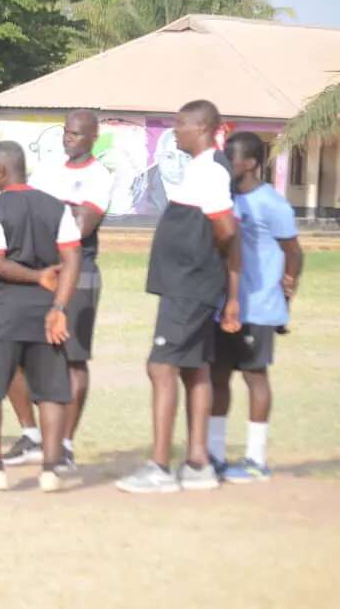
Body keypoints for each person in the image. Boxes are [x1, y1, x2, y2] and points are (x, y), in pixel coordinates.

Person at [116, 100, 240, 494]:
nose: (175, 134)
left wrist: (224, 285)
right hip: (190, 286)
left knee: (161, 367)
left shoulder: (209, 169)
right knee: (194, 369)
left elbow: (226, 229)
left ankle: (158, 467)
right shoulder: (204, 168)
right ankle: (199, 463)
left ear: (201, 128)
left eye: (180, 126)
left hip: (189, 288)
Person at [0, 141, 82, 492]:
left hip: (0, 311)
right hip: (45, 311)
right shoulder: (56, 207)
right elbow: (72, 259)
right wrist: (59, 306)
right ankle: (50, 471)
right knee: (51, 393)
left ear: (0, 171)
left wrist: (35, 275)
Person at [3, 110, 114, 471]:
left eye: (78, 134)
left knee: (73, 360)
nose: (70, 138)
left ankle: (64, 444)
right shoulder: (49, 169)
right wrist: (62, 210)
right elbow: (26, 215)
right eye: (67, 132)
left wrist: (50, 212)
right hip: (39, 272)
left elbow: (81, 228)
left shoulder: (100, 176)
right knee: (11, 353)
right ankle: (32, 436)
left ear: (93, 136)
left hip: (79, 273)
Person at [209, 132, 302, 483]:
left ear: (249, 163)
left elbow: (294, 252)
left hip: (258, 307)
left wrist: (286, 294)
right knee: (217, 377)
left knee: (254, 377)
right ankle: (216, 456)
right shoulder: (225, 200)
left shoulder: (271, 204)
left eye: (230, 158)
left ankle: (255, 459)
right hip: (223, 307)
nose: (225, 164)